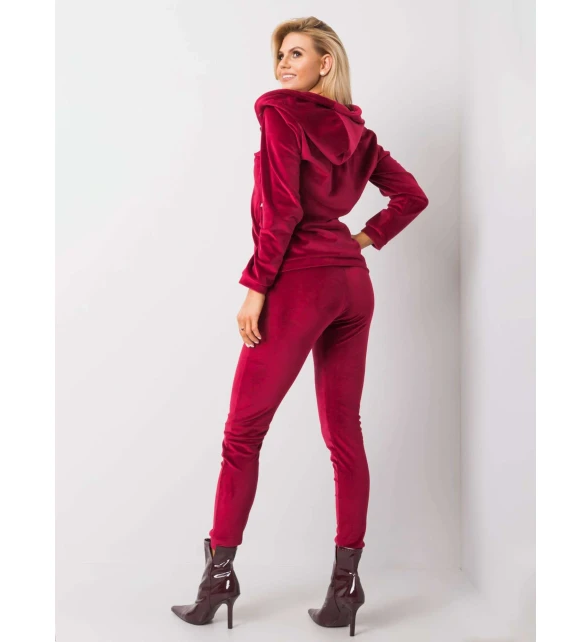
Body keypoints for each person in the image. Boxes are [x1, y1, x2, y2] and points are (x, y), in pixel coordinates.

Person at [171, 16, 429, 636]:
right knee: (345, 434)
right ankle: (346, 589)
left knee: (243, 433)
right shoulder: (360, 136)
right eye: (280, 56)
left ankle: (218, 580)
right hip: (351, 286)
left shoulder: (279, 112)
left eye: (295, 54)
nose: (282, 65)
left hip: (299, 284)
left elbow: (282, 210)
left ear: (325, 63)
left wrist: (256, 287)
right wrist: (361, 239)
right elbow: (411, 196)